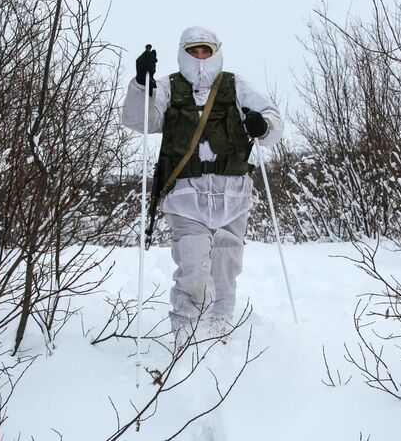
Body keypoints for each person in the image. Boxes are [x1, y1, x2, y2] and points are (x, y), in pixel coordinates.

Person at [121, 26, 283, 339]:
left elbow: (273, 121)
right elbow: (139, 120)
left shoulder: (236, 86)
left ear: (215, 52)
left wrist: (262, 125)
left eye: (205, 50)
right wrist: (142, 84)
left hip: (233, 193)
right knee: (192, 264)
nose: (200, 57)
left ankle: (220, 324)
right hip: (186, 194)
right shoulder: (168, 87)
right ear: (184, 52)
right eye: (194, 50)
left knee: (226, 265)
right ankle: (184, 328)